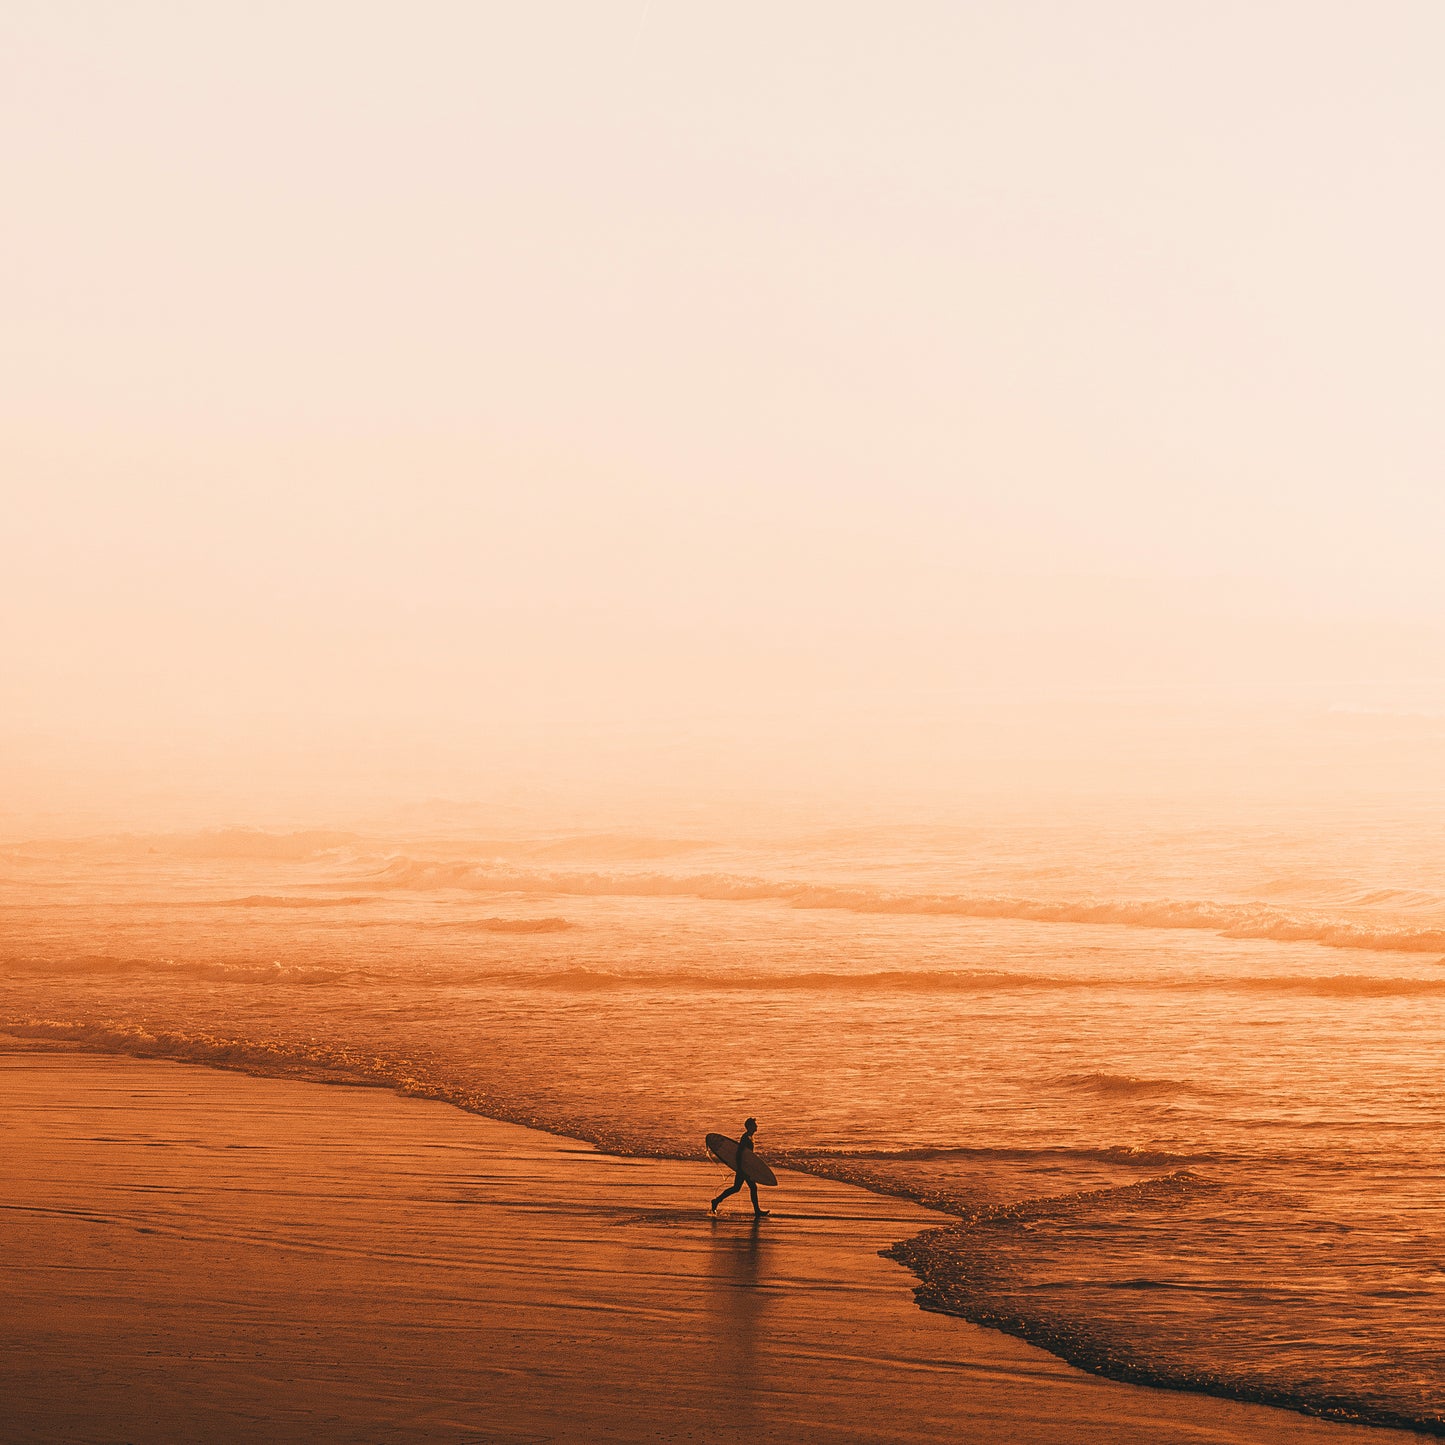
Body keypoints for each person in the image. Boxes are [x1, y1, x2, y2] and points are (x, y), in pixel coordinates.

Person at [710, 1117, 770, 1218]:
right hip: (743, 1167)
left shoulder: (750, 1137)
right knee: (752, 1187)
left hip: (744, 1167)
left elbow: (748, 1155)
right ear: (749, 1126)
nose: (757, 1126)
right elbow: (739, 1153)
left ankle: (716, 1201)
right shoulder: (745, 1138)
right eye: (754, 1124)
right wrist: (740, 1168)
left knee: (736, 1188)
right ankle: (757, 1211)